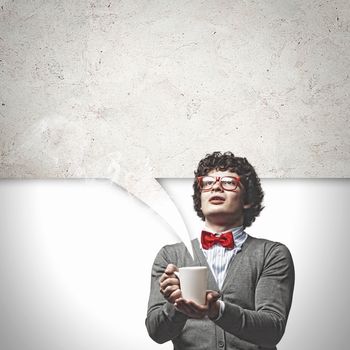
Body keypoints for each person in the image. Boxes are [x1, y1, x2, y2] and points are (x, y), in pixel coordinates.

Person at [145, 151, 295, 350]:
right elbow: (157, 333)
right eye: (207, 182)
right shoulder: (170, 256)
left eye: (228, 182)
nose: (216, 186)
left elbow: (272, 330)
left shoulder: (272, 254)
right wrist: (175, 306)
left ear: (247, 199)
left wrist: (218, 310)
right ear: (200, 197)